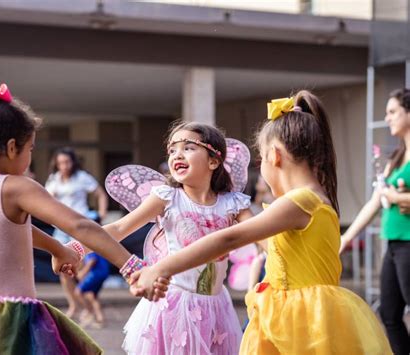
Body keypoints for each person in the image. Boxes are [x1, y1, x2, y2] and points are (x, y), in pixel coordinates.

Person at [132, 91, 392, 354]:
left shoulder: (298, 201)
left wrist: (160, 268)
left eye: (262, 158)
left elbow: (229, 238)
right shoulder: (315, 198)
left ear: (275, 156)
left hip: (299, 320)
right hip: (305, 313)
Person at [0, 83, 167, 354]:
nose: (30, 156)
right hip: (11, 320)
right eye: (30, 149)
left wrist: (57, 248)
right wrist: (131, 267)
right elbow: (79, 225)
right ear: (12, 148)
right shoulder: (15, 187)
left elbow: (0, 229)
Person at [103, 121, 254, 354]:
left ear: (214, 160)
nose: (177, 155)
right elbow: (120, 227)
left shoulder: (233, 204)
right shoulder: (167, 197)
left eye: (188, 147)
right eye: (172, 150)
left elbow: (263, 234)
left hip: (216, 306)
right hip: (174, 304)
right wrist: (77, 246)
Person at [340, 88, 410, 355]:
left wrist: (395, 196)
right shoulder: (395, 159)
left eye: (392, 112)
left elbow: (388, 195)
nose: (387, 117)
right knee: (390, 314)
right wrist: (347, 237)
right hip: (392, 244)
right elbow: (374, 202)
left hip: (409, 243)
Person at [45, 147, 109, 318]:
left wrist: (101, 214)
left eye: (67, 162)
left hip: (79, 226)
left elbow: (100, 194)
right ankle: (74, 304)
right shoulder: (54, 180)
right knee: (62, 268)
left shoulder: (82, 177)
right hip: (60, 228)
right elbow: (46, 202)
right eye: (60, 163)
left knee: (82, 267)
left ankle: (89, 304)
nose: (64, 166)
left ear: (72, 162)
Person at [75, 251, 110, 329]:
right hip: (104, 272)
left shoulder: (88, 246)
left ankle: (89, 312)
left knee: (78, 291)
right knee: (92, 295)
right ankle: (100, 319)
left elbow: (92, 260)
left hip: (96, 273)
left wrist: (83, 272)